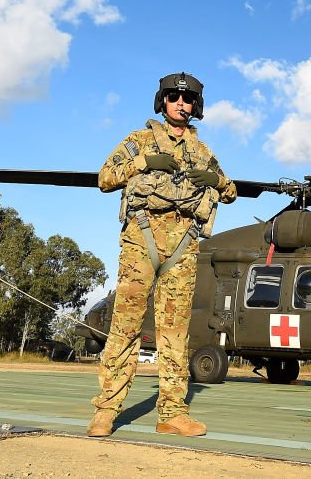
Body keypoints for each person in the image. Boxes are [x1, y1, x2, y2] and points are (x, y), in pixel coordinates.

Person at [87, 72, 237, 437]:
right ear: (162, 101)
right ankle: (106, 410)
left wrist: (215, 181)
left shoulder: (204, 153)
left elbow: (230, 191)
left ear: (196, 106)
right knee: (125, 325)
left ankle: (172, 412)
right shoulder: (139, 141)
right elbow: (105, 178)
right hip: (142, 240)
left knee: (176, 332)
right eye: (173, 98)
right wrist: (143, 164)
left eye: (187, 100)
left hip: (184, 244)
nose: (180, 104)